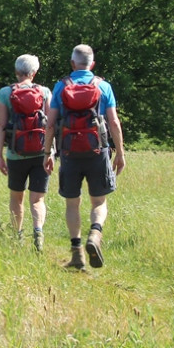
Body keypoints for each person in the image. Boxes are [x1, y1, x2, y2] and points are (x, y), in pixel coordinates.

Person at [43, 44, 125, 270]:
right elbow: (114, 122)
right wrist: (120, 153)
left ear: (72, 64)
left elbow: (50, 124)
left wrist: (47, 152)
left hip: (69, 152)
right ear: (93, 64)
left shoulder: (60, 87)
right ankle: (95, 235)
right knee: (99, 201)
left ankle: (77, 254)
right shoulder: (104, 86)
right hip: (98, 150)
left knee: (72, 203)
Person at [0, 54, 53, 252]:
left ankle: (18, 236)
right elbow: (50, 125)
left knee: (16, 197)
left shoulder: (5, 93)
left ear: (16, 72)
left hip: (15, 154)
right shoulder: (45, 92)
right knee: (37, 199)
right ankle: (38, 232)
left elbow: (2, 125)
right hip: (40, 153)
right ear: (34, 72)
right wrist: (50, 153)